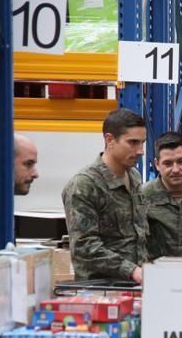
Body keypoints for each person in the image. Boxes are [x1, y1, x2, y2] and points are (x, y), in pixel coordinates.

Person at [62, 108, 149, 283]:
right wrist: (131, 270)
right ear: (109, 140)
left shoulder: (134, 177)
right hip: (101, 288)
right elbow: (84, 246)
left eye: (142, 142)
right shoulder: (85, 184)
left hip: (136, 285)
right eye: (132, 142)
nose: (141, 151)